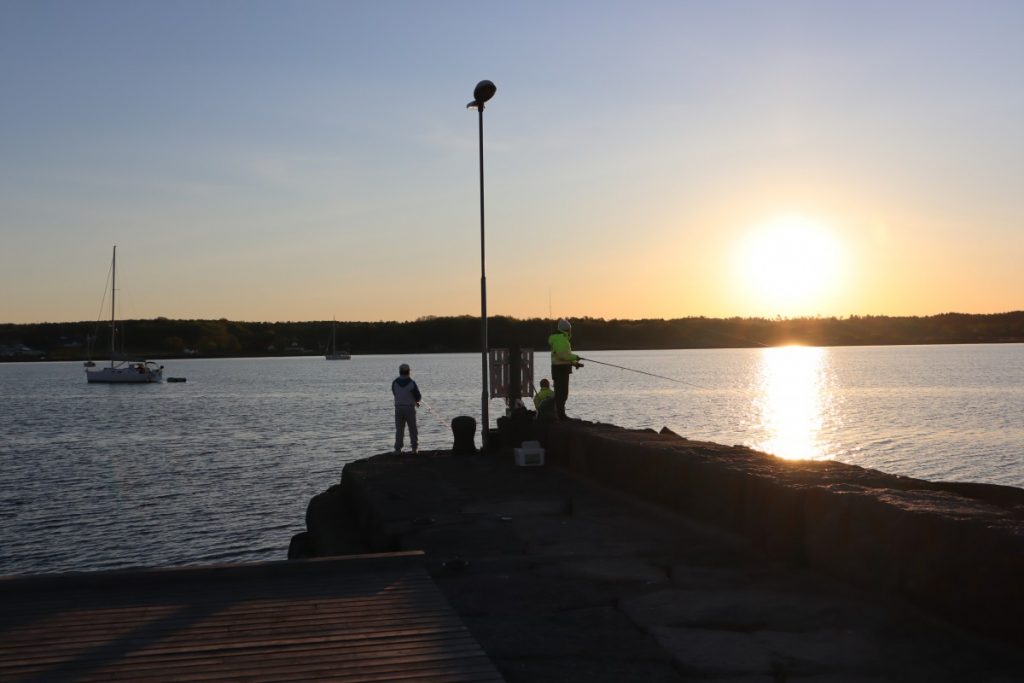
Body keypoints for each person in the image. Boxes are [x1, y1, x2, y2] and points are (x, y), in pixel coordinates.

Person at [548, 319, 582, 420]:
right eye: (570, 329)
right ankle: (561, 416)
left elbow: (562, 357)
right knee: (562, 393)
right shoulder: (561, 339)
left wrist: (575, 363)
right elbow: (563, 355)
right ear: (567, 329)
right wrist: (575, 357)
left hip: (559, 368)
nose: (571, 331)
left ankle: (560, 414)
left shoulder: (560, 338)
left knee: (561, 393)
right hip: (560, 370)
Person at [391, 363, 422, 454]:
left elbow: (395, 394)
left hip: (398, 408)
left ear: (400, 372)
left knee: (399, 429)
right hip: (409, 408)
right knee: (412, 428)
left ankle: (398, 449)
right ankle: (414, 449)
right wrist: (416, 402)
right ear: (408, 371)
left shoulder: (394, 382)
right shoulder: (412, 383)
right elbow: (418, 397)